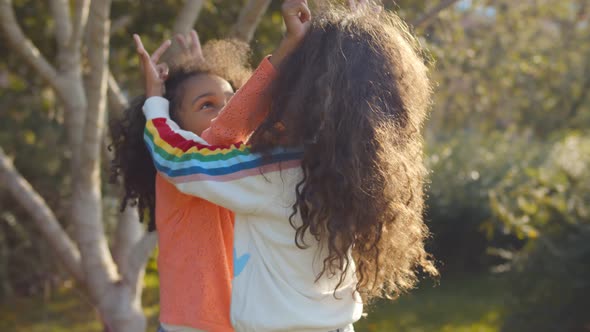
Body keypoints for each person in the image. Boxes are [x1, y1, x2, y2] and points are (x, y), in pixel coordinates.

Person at [142, 1, 438, 331]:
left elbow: (179, 159)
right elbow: (345, 87)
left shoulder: (269, 172)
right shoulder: (363, 170)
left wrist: (155, 105)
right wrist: (359, 43)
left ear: (297, 91)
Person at [111, 0, 308, 329]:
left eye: (231, 99)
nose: (224, 111)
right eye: (207, 105)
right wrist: (289, 44)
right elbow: (228, 128)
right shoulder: (178, 170)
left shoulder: (241, 168)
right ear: (175, 126)